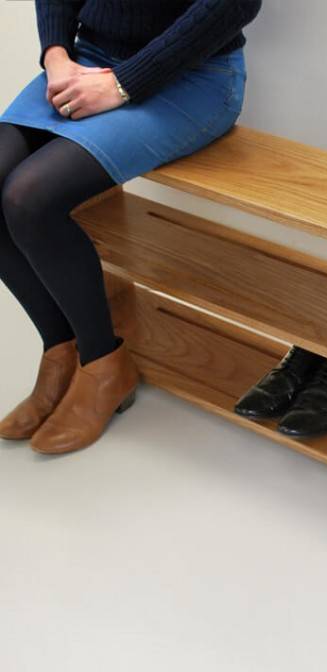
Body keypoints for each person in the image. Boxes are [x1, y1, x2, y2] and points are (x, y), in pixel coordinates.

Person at [0, 0, 262, 454]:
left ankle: (103, 363)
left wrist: (124, 84)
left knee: (29, 198)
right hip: (87, 61)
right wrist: (56, 54)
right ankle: (61, 348)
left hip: (192, 76)